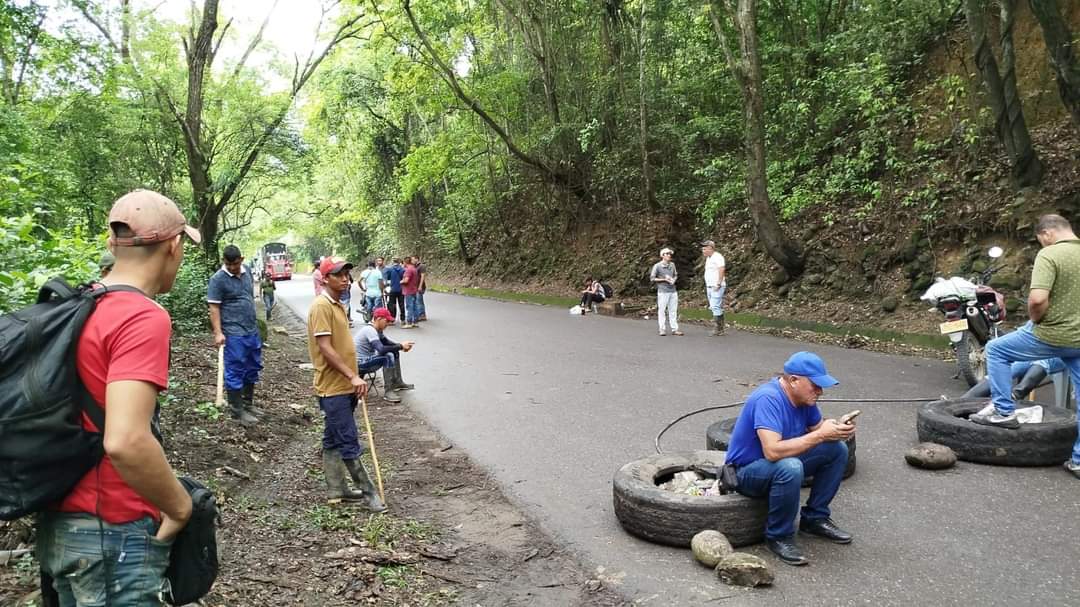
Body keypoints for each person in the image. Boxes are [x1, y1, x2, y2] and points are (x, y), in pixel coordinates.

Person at [37, 190, 196, 603]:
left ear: (112, 244)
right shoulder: (142, 316)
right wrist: (180, 507)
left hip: (60, 527)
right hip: (114, 534)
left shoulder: (76, 305)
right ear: (173, 246)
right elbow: (125, 440)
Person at [975, 215, 1080, 479]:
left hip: (1051, 335)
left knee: (997, 349)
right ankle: (1078, 460)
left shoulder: (1051, 254)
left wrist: (1035, 319)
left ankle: (1003, 411)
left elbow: (1037, 300)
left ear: (1046, 234)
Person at [725, 351, 855, 566]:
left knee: (837, 449)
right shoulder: (768, 398)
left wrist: (837, 428)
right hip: (745, 473)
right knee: (790, 466)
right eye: (815, 385)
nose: (820, 391)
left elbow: (818, 428)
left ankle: (815, 519)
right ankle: (778, 535)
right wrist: (821, 434)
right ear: (794, 380)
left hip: (777, 464)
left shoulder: (806, 399)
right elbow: (772, 452)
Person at [307, 256, 386, 511]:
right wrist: (351, 375)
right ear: (326, 278)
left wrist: (354, 377)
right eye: (339, 275)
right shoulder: (321, 306)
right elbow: (325, 348)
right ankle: (368, 492)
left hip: (346, 385)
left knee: (332, 438)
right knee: (349, 438)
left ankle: (336, 489)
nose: (345, 279)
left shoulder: (338, 304)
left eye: (347, 275)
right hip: (333, 388)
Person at [207, 245, 263, 427]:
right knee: (235, 368)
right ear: (224, 261)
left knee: (252, 366)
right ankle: (237, 410)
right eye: (228, 264)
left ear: (242, 259)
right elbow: (214, 307)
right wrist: (218, 333)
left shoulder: (246, 272)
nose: (232, 267)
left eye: (235, 263)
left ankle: (248, 404)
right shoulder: (217, 280)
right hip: (233, 332)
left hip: (251, 330)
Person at [356, 307, 416, 403]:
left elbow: (387, 343)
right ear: (379, 319)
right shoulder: (369, 330)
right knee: (388, 356)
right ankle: (388, 391)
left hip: (367, 360)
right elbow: (381, 349)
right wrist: (400, 346)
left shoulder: (377, 330)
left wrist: (402, 346)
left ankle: (397, 382)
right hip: (360, 363)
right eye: (386, 321)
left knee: (394, 351)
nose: (388, 324)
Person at [962, 358, 1065, 401]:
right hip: (1041, 351)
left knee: (1043, 361)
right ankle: (962, 401)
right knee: (1009, 368)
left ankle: (1013, 397)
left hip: (1066, 355)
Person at [650, 247, 682, 336]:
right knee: (662, 310)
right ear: (662, 255)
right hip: (663, 291)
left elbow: (675, 275)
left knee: (673, 310)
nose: (669, 255)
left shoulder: (672, 265)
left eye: (670, 254)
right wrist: (664, 279)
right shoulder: (657, 266)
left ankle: (675, 329)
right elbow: (652, 278)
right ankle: (662, 329)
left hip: (673, 290)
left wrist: (673, 279)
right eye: (667, 254)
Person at [701, 240, 727, 336]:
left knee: (715, 305)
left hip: (717, 286)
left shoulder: (718, 257)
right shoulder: (709, 258)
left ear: (710, 248)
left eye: (704, 249)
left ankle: (718, 328)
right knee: (714, 306)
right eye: (702, 249)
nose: (703, 251)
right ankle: (721, 328)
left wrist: (719, 283)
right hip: (710, 286)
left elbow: (721, 269)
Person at [383, 257, 406, 324]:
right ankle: (403, 319)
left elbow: (387, 278)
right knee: (401, 304)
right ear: (399, 262)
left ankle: (392, 319)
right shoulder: (402, 269)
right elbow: (404, 278)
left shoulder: (390, 269)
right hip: (401, 289)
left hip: (392, 289)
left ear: (393, 262)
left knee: (392, 304)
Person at [401, 256, 420, 329]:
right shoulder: (414, 269)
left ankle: (409, 322)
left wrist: (400, 281)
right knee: (415, 306)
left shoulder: (408, 270)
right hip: (414, 289)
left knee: (409, 306)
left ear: (405, 262)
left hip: (408, 290)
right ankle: (415, 321)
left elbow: (406, 280)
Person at [415, 255, 428, 321]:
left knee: (419, 301)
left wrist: (420, 286)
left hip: (420, 286)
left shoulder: (421, 266)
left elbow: (423, 276)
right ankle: (419, 314)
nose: (412, 261)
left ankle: (422, 315)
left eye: (413, 259)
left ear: (417, 259)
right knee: (417, 300)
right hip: (415, 286)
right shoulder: (415, 266)